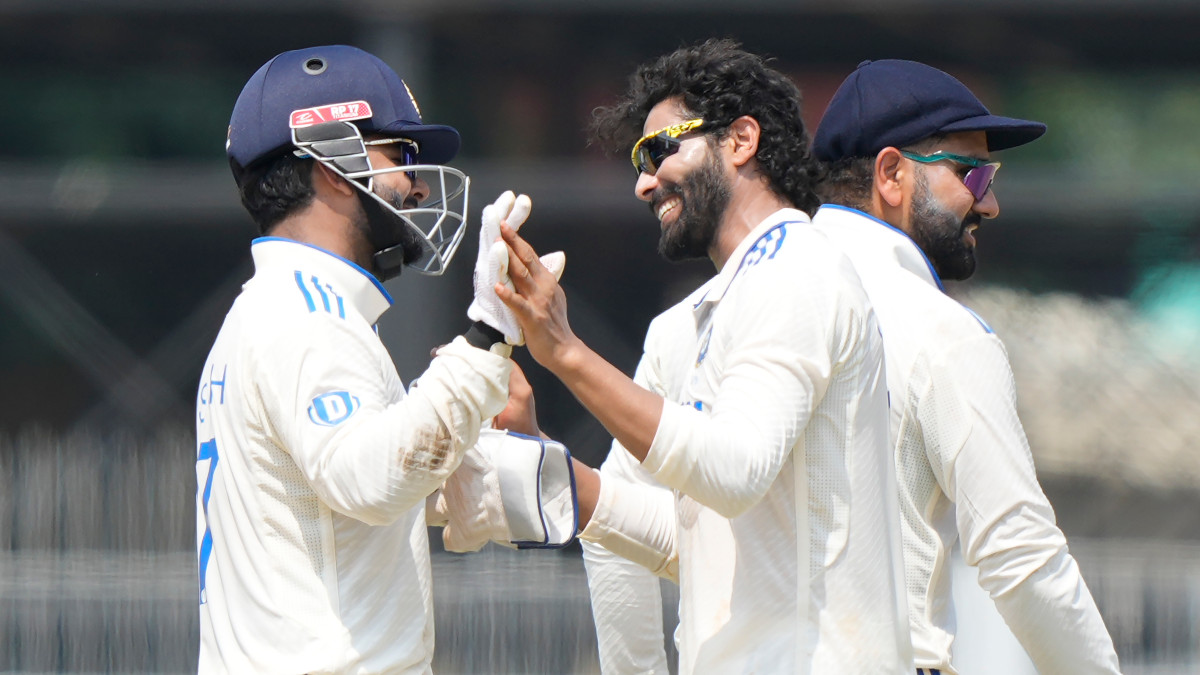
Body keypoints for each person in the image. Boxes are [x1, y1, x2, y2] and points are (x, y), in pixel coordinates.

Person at [493, 39, 912, 674]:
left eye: (659, 149)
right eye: (638, 158)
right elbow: (641, 539)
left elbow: (734, 470)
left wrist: (567, 354)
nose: (642, 182)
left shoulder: (802, 267)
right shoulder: (679, 328)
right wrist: (539, 457)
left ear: (741, 140)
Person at [195, 44, 546, 673]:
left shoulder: (275, 309)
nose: (414, 182)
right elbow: (369, 481)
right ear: (332, 164)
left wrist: (480, 443)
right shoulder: (306, 314)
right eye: (398, 154)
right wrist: (484, 341)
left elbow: (343, 502)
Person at [811, 59, 1122, 674]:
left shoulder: (724, 308)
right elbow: (1020, 556)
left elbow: (643, 525)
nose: (991, 203)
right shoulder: (939, 331)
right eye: (973, 174)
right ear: (892, 173)